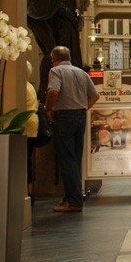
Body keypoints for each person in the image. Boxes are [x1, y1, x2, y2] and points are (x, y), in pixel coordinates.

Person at [27, 0, 116, 97]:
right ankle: (44, 90)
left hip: (39, 16)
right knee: (51, 51)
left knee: (50, 51)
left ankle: (45, 89)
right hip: (38, 15)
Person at [45, 46, 100, 212]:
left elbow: (54, 92)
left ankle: (74, 201)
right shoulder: (81, 73)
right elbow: (95, 95)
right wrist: (84, 108)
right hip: (80, 118)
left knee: (67, 159)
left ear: (54, 59)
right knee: (75, 158)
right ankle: (70, 196)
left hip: (65, 117)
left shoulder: (56, 71)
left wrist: (48, 109)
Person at [24, 62, 40, 200]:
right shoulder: (29, 86)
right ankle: (29, 192)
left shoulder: (23, 87)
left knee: (25, 160)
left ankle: (28, 193)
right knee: (27, 160)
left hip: (26, 127)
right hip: (32, 126)